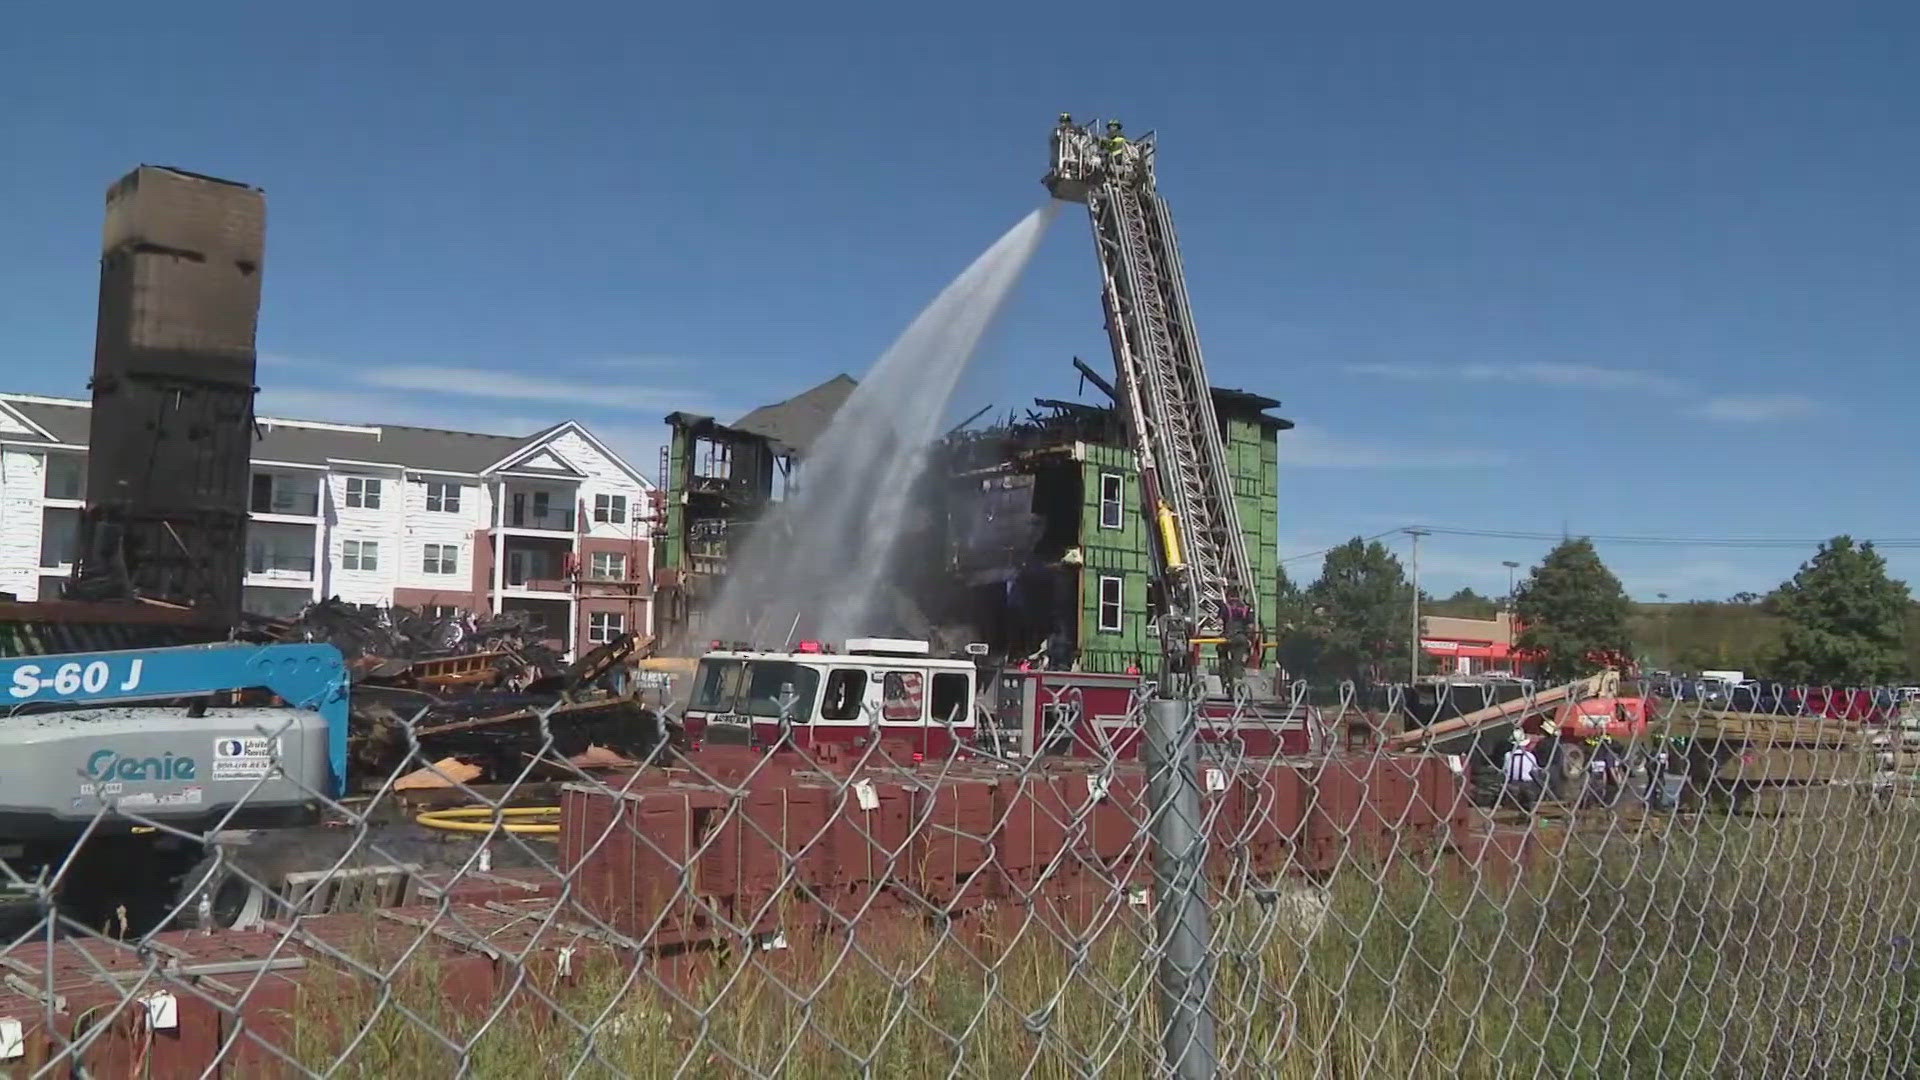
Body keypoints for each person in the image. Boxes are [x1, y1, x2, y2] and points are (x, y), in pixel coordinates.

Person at [1502, 732, 1541, 811]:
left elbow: (1505, 770)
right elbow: (1535, 771)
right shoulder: (1530, 756)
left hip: (1512, 783)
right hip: (1527, 785)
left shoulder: (1507, 755)